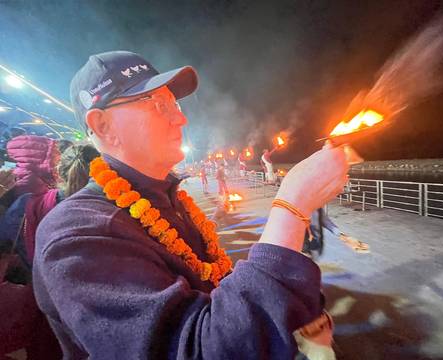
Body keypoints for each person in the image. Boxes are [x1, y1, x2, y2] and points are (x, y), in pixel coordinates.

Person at [32, 51, 348, 359]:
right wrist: (291, 209)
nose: (180, 118)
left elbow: (212, 292)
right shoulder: (78, 234)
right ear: (102, 126)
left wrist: (291, 314)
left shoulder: (166, 199)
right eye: (157, 105)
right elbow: (193, 349)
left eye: (174, 102)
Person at [0, 143, 99, 359]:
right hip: (94, 312)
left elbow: (7, 242)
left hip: (45, 311)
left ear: (58, 171)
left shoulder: (27, 204)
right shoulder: (106, 209)